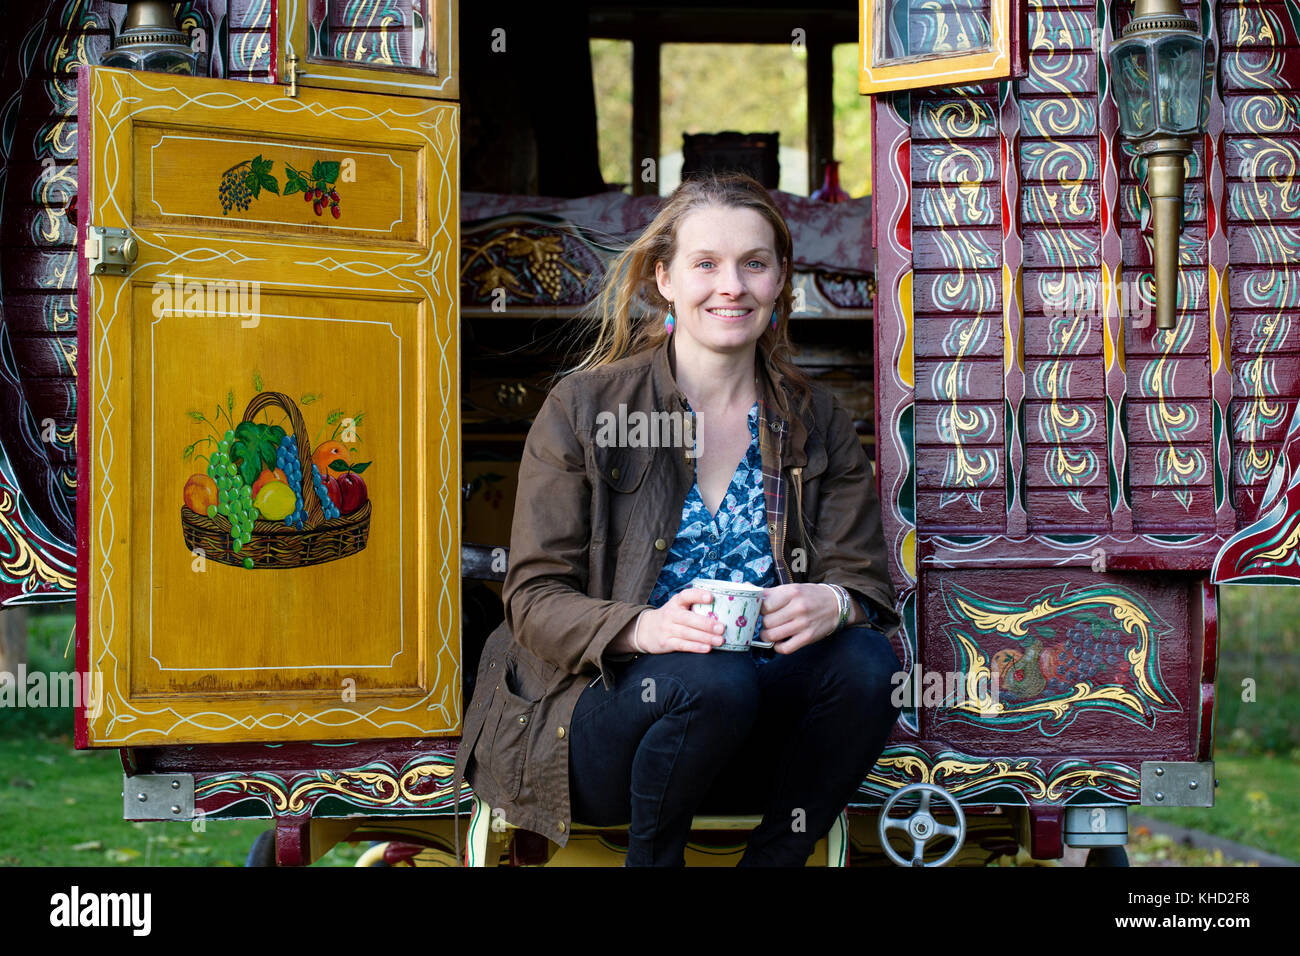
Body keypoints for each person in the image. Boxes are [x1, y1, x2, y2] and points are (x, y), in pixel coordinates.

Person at [452, 172, 901, 867]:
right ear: (664, 279)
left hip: (758, 725)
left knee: (869, 665)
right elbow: (533, 600)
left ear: (780, 279)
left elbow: (864, 580)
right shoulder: (583, 408)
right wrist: (645, 627)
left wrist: (833, 603)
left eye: (754, 263)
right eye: (705, 264)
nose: (732, 286)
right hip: (598, 724)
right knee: (707, 678)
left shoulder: (814, 418)